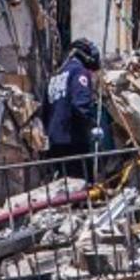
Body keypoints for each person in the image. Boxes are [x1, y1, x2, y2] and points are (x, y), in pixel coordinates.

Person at [44, 38, 101, 179]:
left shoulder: (55, 76)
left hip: (55, 142)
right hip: (74, 141)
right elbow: (80, 105)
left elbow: (45, 110)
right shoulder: (79, 72)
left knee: (63, 190)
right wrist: (92, 126)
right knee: (82, 186)